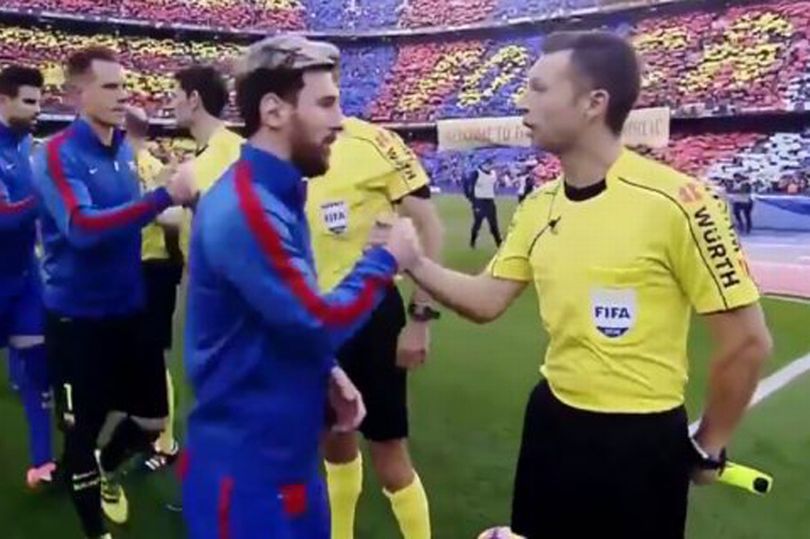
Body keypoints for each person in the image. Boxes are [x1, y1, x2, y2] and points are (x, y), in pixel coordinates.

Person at [402, 31, 772, 539]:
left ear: (593, 103)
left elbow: (747, 343)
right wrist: (413, 262)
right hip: (552, 422)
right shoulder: (538, 205)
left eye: (538, 88)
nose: (523, 101)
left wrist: (708, 445)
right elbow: (487, 301)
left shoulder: (679, 202)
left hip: (639, 439)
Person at [181, 35, 422, 539]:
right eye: (327, 103)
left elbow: (278, 315)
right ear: (273, 111)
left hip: (283, 466)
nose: (339, 121)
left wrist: (328, 371)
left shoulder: (277, 192)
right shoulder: (249, 209)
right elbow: (316, 320)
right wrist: (385, 259)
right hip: (247, 478)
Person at [31, 47, 196, 539]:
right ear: (77, 94)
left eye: (123, 85)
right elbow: (81, 228)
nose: (122, 95)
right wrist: (164, 197)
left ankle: (104, 464)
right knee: (81, 433)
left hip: (129, 310)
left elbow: (130, 220)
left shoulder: (124, 150)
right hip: (77, 321)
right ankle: (95, 530)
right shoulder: (57, 154)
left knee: (151, 422)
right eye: (109, 86)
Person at [307, 58, 443, 538]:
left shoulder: (375, 143)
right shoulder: (281, 150)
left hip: (369, 314)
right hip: (310, 319)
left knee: (388, 450)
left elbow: (428, 225)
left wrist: (421, 317)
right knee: (333, 441)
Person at [0, 65, 57, 488]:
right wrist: (49, 194)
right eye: (29, 101)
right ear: (4, 100)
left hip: (24, 281)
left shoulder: (26, 147)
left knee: (38, 371)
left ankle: (43, 462)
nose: (38, 109)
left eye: (40, 100)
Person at [125, 106, 184, 472]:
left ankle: (164, 439)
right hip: (150, 269)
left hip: (152, 270)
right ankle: (151, 428)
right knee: (140, 356)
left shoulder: (139, 169)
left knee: (151, 358)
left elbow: (170, 220)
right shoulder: (145, 165)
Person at [469, 161, 501, 248]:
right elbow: (470, 187)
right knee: (477, 223)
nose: (490, 167)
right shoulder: (476, 173)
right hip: (480, 201)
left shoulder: (493, 174)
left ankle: (499, 244)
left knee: (493, 224)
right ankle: (472, 242)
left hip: (490, 201)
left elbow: (495, 184)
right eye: (488, 165)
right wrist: (474, 202)